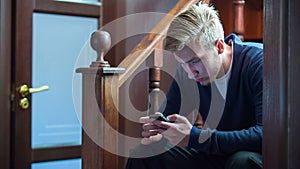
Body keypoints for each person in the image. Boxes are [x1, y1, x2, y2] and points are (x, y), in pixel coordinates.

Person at [126, 2, 263, 169]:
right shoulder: (187, 73)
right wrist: (159, 129)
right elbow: (168, 114)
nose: (191, 73)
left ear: (219, 46)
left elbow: (265, 135)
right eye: (182, 63)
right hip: (219, 153)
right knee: (145, 154)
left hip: (257, 153)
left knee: (242, 162)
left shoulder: (258, 63)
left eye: (195, 61)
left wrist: (195, 137)